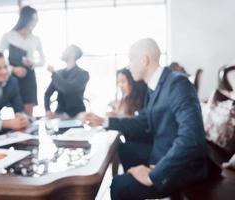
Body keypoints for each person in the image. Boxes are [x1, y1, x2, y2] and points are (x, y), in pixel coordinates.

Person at [83, 38, 208, 200]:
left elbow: (192, 138)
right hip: (163, 149)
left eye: (131, 59)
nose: (128, 65)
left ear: (144, 60)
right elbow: (142, 121)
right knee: (124, 148)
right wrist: (103, 121)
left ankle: (141, 185)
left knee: (118, 186)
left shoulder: (178, 83)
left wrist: (153, 175)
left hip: (185, 166)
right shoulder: (155, 86)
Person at [0, 6, 45, 116]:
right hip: (13, 77)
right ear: (25, 18)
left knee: (29, 114)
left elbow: (42, 61)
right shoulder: (8, 36)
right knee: (17, 112)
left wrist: (32, 63)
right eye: (33, 19)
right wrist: (13, 69)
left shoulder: (36, 39)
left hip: (29, 77)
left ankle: (29, 132)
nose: (35, 23)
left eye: (36, 20)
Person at [44, 45, 89, 119]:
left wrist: (53, 73)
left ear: (73, 54)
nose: (63, 52)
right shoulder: (59, 73)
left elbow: (68, 89)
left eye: (66, 50)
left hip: (77, 114)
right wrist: (48, 110)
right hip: (60, 113)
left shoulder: (83, 74)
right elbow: (47, 94)